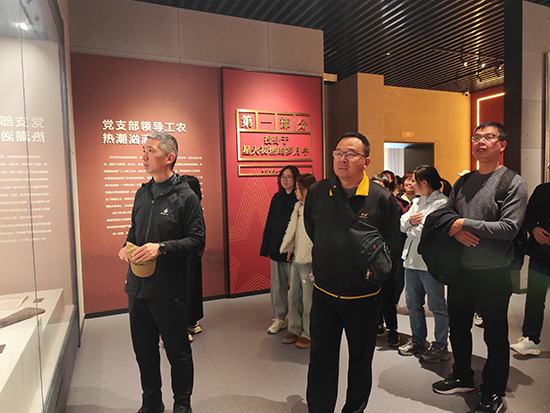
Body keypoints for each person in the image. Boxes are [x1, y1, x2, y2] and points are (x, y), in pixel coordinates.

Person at [432, 122, 528, 413]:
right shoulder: (463, 181)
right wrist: (455, 230)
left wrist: (464, 224)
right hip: (460, 270)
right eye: (476, 137)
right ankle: (462, 375)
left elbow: (509, 228)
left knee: (494, 334)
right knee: (458, 327)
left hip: (494, 271)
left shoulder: (512, 182)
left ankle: (493, 391)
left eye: (489, 137)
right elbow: (445, 213)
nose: (480, 142)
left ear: (502, 145)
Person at [304, 132, 400, 412]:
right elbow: (312, 229)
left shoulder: (381, 198)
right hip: (324, 293)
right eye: (338, 153)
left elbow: (392, 245)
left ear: (366, 161)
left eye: (350, 154)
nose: (342, 159)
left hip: (363, 297)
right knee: (320, 359)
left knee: (360, 361)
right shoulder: (318, 191)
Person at [117, 132, 205, 413]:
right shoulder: (142, 193)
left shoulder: (186, 197)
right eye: (143, 150)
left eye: (150, 150)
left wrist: (162, 248)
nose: (143, 156)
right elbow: (134, 230)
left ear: (169, 157)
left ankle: (182, 405)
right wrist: (126, 246)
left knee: (178, 353)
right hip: (138, 288)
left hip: (169, 290)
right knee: (144, 351)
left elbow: (197, 241)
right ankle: (151, 402)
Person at [398, 165, 450, 363]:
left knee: (437, 306)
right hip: (410, 260)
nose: (411, 184)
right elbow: (401, 223)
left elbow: (427, 231)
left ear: (424, 183)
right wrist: (410, 223)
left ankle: (441, 345)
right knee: (413, 304)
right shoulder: (417, 201)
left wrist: (410, 225)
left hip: (430, 264)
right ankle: (418, 340)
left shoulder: (442, 203)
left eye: (415, 181)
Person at [510, 177, 550, 355]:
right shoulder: (542, 190)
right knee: (535, 297)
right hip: (541, 253)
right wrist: (534, 229)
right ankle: (531, 339)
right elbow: (528, 214)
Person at [261, 165, 300, 334]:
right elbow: (270, 223)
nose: (285, 180)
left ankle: (298, 321)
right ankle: (279, 318)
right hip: (277, 248)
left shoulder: (300, 200)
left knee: (297, 289)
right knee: (277, 286)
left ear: (296, 179)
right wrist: (266, 246)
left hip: (294, 251)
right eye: (283, 176)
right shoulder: (277, 198)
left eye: (289, 177)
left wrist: (294, 248)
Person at [279, 173, 317, 349]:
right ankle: (295, 327)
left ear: (307, 189)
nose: (295, 191)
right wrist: (291, 248)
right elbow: (294, 231)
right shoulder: (298, 207)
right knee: (293, 295)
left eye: (298, 188)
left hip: (310, 260)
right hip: (297, 257)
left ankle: (309, 332)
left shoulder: (317, 209)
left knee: (309, 300)